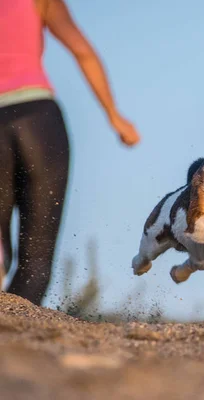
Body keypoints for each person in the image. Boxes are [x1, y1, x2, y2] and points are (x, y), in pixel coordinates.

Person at [0, 0, 141, 305]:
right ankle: (13, 337)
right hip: (39, 118)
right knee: (36, 258)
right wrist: (114, 116)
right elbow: (83, 51)